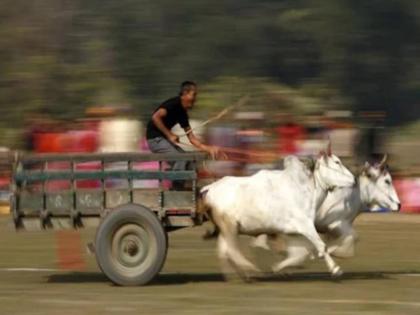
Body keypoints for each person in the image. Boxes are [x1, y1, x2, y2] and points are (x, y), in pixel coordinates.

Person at [146, 81, 221, 185]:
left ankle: (190, 190)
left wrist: (208, 148)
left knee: (189, 162)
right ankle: (177, 190)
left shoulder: (183, 114)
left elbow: (191, 138)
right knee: (181, 158)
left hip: (164, 140)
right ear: (185, 93)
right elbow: (155, 117)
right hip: (155, 140)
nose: (195, 99)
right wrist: (169, 135)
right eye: (193, 94)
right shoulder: (173, 104)